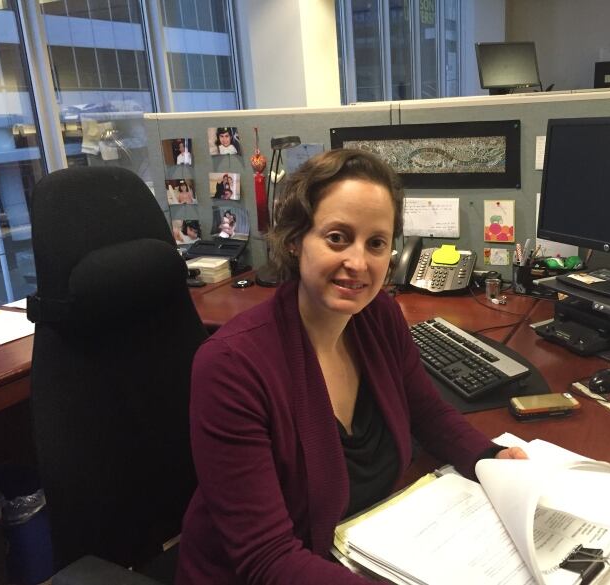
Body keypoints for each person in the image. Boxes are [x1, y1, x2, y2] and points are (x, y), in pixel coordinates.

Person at [176, 149, 526, 585]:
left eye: (376, 243)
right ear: (295, 239)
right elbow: (266, 560)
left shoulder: (378, 317)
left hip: (362, 554)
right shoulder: (232, 367)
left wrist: (491, 457)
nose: (358, 263)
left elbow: (428, 413)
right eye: (338, 237)